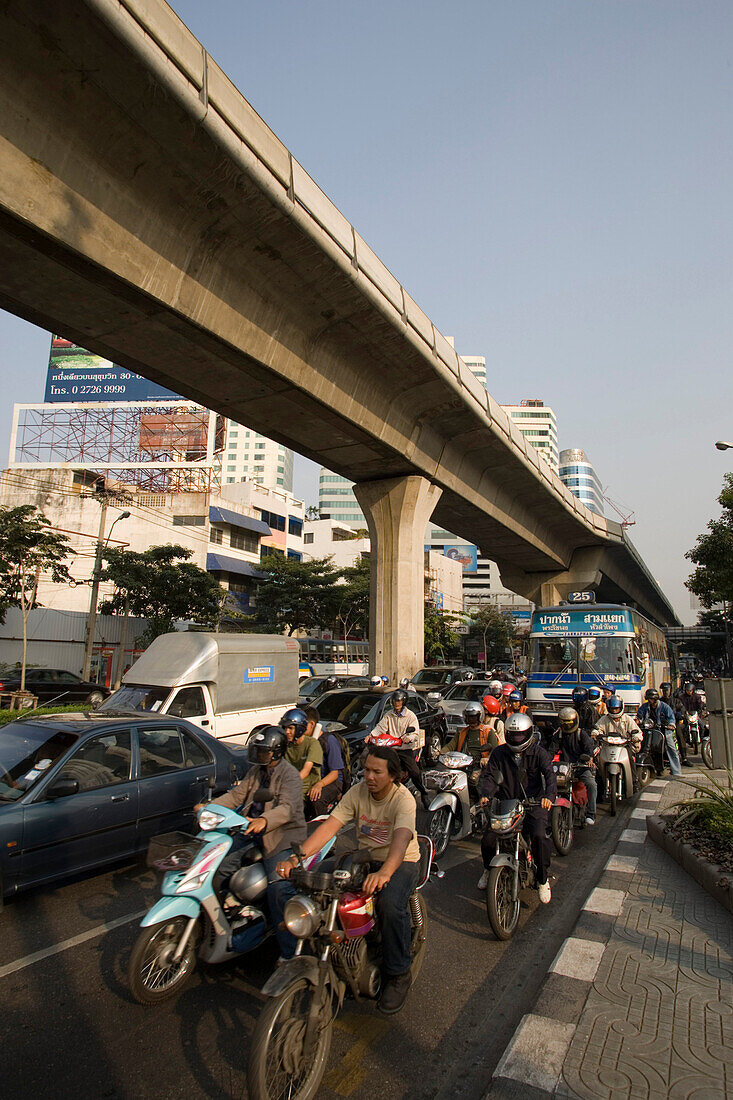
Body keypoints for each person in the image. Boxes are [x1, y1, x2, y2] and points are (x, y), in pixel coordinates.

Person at [276, 744, 420, 1015]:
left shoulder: (404, 800)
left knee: (389, 904)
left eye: (377, 772)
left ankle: (399, 973)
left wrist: (386, 872)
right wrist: (298, 860)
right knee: (314, 883)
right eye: (366, 770)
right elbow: (330, 826)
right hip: (365, 858)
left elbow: (401, 840)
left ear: (393, 776)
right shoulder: (357, 792)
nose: (369, 776)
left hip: (401, 862)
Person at [206, 725, 306, 960]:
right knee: (217, 868)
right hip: (250, 831)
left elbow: (288, 809)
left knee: (278, 890)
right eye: (258, 750)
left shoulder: (289, 775)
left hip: (281, 838)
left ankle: (290, 954)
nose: (259, 755)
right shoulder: (255, 772)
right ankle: (232, 916)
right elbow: (236, 796)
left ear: (277, 752)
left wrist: (264, 820)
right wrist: (210, 807)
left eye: (264, 751)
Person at [478, 712, 556, 901]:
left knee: (539, 835)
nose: (516, 739)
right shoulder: (499, 753)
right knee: (488, 838)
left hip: (533, 804)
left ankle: (543, 879)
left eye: (520, 735)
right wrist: (485, 795)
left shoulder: (539, 753)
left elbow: (550, 776)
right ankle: (489, 868)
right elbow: (489, 775)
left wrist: (548, 796)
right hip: (506, 803)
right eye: (513, 735)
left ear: (528, 734)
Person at [368, 689, 430, 808]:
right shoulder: (388, 715)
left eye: (399, 701)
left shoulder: (410, 716)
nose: (396, 704)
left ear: (404, 702)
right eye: (395, 701)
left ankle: (423, 793)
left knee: (414, 772)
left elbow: (415, 732)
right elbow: (380, 727)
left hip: (405, 748)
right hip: (391, 747)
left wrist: (409, 738)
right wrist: (371, 735)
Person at [556, 706, 597, 825]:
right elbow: (550, 750)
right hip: (564, 768)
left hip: (581, 767)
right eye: (565, 723)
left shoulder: (581, 734)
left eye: (569, 723)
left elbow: (588, 748)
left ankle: (591, 813)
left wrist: (588, 758)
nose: (567, 726)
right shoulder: (558, 734)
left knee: (592, 784)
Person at [305, 706, 346, 814]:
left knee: (316, 799)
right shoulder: (305, 742)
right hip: (313, 779)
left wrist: (319, 785)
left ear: (312, 724)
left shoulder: (329, 741)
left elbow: (334, 773)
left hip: (331, 781)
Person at [280, 707, 323, 799]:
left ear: (299, 728)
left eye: (290, 728)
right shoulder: (285, 744)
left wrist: (288, 784)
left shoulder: (312, 744)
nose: (287, 732)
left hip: (305, 789)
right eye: (285, 728)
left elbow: (306, 770)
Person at [636, 688, 681, 777]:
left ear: (656, 699)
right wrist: (638, 720)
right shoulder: (644, 707)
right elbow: (639, 716)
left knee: (670, 747)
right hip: (648, 730)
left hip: (663, 730)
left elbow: (671, 718)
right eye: (648, 699)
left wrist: (670, 725)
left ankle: (676, 771)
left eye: (651, 699)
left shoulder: (665, 707)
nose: (649, 701)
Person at [444, 700, 504, 764]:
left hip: (481, 765)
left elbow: (495, 749)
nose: (471, 720)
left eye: (474, 717)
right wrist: (440, 752)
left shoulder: (488, 731)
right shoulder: (461, 732)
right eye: (468, 717)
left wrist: (486, 759)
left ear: (479, 717)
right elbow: (450, 746)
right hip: (462, 763)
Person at [674, 681, 699, 767]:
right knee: (681, 731)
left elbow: (700, 705)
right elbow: (680, 709)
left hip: (694, 715)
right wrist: (682, 715)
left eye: (690, 690)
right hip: (685, 717)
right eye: (687, 690)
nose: (689, 692)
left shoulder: (697, 697)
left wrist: (701, 711)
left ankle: (702, 739)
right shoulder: (681, 698)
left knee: (703, 726)